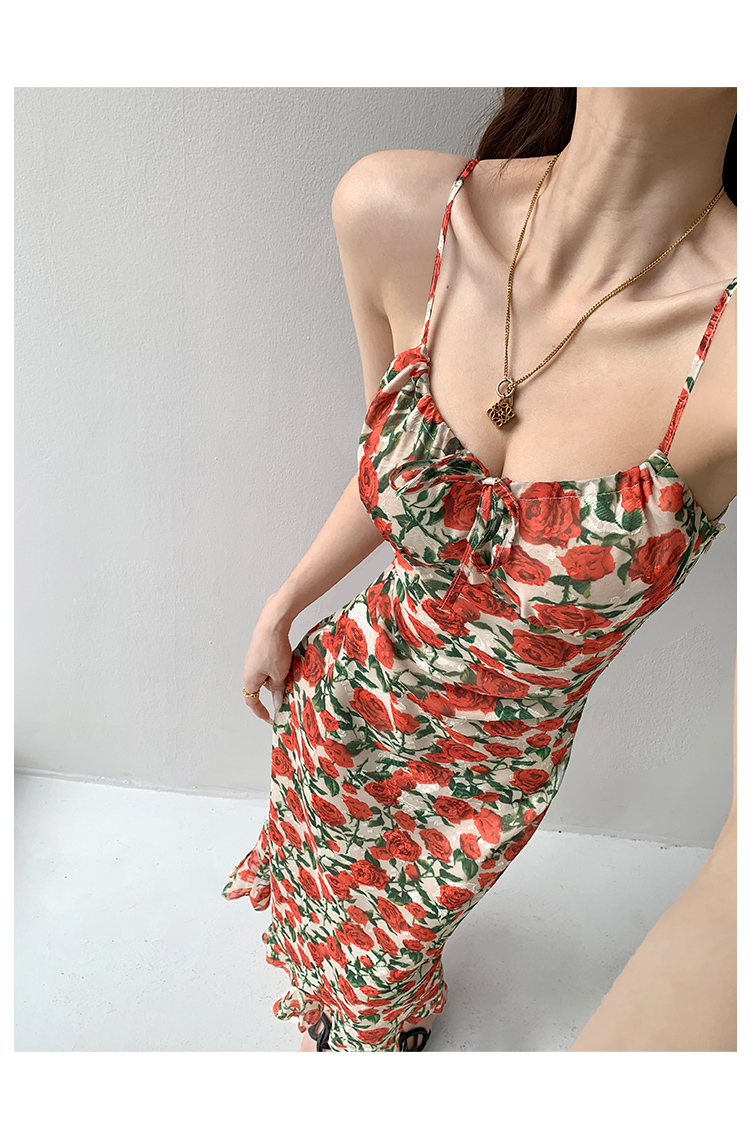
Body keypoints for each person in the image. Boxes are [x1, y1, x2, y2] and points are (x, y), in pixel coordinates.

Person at [223, 87, 737, 1052]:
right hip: (343, 699)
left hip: (481, 785)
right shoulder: (395, 211)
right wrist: (283, 602)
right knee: (324, 890)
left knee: (394, 948)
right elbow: (393, 479)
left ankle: (380, 1025)